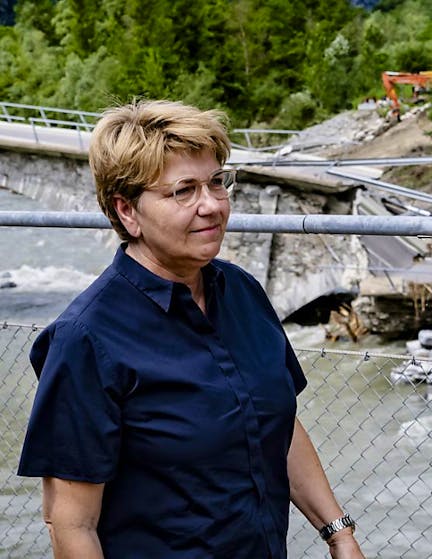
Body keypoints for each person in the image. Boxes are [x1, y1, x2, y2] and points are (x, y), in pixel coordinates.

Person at [17, 100, 366, 559]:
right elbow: (71, 523)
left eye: (217, 182)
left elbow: (275, 422)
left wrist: (339, 534)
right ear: (127, 211)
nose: (212, 205)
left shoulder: (242, 292)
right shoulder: (85, 340)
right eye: (184, 191)